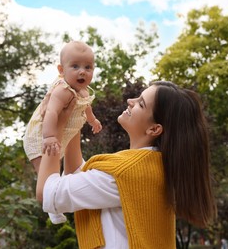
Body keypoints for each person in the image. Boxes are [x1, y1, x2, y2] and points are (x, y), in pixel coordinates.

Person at [36, 81, 217, 248]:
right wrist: (72, 117)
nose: (130, 101)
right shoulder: (151, 167)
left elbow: (47, 192)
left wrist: (54, 128)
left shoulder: (125, 173)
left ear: (154, 129)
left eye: (141, 104)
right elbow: (78, 176)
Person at [23, 41, 102, 224]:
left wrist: (93, 120)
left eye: (87, 67)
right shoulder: (62, 90)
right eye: (75, 66)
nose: (82, 71)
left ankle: (55, 196)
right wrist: (49, 136)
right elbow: (50, 112)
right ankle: (51, 206)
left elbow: (86, 107)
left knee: (55, 169)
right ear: (61, 69)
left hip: (62, 133)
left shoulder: (82, 91)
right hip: (40, 136)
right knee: (46, 169)